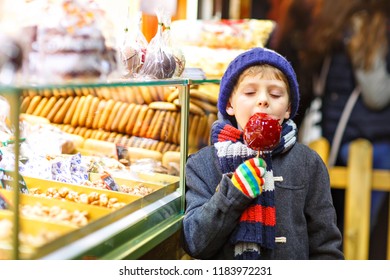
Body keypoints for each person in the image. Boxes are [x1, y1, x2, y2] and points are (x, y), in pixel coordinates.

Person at [182, 47, 344, 260]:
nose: (263, 100)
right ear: (230, 104)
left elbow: (325, 246)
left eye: (275, 94)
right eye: (250, 92)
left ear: (288, 109)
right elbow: (195, 243)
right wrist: (233, 194)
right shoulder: (201, 165)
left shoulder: (308, 163)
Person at [300, 0, 390, 257]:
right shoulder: (365, 24)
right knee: (358, 233)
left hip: (342, 137)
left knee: (338, 226)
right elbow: (377, 93)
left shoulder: (337, 23)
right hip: (370, 143)